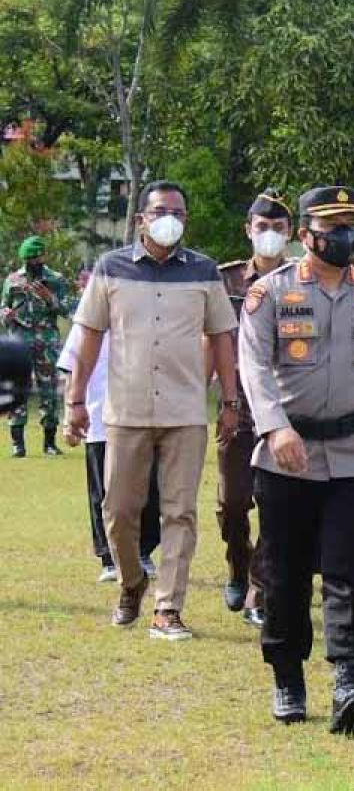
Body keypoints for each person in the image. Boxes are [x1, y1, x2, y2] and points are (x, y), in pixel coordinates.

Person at [239, 185, 354, 733]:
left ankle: (348, 680)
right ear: (306, 234)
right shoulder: (269, 294)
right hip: (287, 458)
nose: (345, 237)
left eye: (351, 226)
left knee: (350, 572)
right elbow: (253, 367)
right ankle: (288, 678)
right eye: (333, 227)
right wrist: (274, 428)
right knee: (285, 574)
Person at [67, 180, 240, 641]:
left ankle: (168, 608)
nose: (171, 219)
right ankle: (131, 582)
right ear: (141, 218)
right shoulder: (111, 268)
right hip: (125, 411)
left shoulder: (204, 271)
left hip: (185, 412)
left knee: (180, 512)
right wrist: (76, 400)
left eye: (180, 212)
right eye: (161, 210)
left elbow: (222, 337)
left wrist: (229, 401)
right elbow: (88, 336)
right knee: (118, 511)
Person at [212, 189, 293, 627]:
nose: (270, 235)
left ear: (291, 233)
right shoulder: (224, 280)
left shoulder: (304, 279)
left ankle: (260, 589)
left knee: (278, 502)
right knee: (233, 502)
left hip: (288, 409)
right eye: (262, 227)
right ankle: (238, 568)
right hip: (237, 407)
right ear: (248, 230)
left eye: (279, 228)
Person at [58, 322, 161, 583]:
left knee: (146, 487)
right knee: (102, 493)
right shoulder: (88, 322)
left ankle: (143, 552)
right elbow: (70, 368)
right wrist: (68, 415)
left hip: (143, 418)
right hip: (98, 419)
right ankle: (108, 557)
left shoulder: (147, 314)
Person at [1, 236, 75, 457]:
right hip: (19, 342)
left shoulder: (56, 279)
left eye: (39, 256)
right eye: (32, 258)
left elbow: (66, 310)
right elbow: (4, 306)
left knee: (48, 390)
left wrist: (49, 297)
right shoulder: (13, 280)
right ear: (26, 258)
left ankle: (49, 443)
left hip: (46, 342)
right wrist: (7, 315)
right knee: (16, 389)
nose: (37, 261)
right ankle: (17, 444)